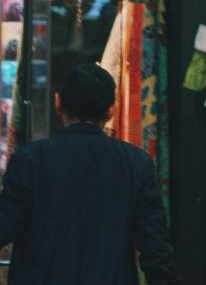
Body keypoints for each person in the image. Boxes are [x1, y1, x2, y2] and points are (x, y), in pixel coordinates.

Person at [0, 62, 177, 284]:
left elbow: (5, 225)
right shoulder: (137, 163)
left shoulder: (29, 160)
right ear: (111, 110)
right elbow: (156, 249)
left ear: (58, 103)